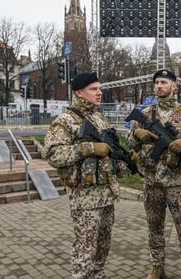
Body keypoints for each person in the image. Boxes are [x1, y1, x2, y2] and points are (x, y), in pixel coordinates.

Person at [44, 72, 136, 279]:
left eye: (100, 88)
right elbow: (52, 154)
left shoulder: (100, 118)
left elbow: (108, 158)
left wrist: (127, 165)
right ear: (79, 92)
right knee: (85, 247)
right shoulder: (65, 121)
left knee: (103, 244)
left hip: (106, 194)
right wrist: (88, 148)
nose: (99, 92)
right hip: (85, 197)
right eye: (94, 89)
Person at [127, 69, 181, 279]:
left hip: (178, 183)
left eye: (164, 82)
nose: (160, 86)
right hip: (152, 182)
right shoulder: (146, 113)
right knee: (154, 229)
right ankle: (157, 268)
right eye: (157, 83)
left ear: (174, 86)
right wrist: (137, 134)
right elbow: (129, 142)